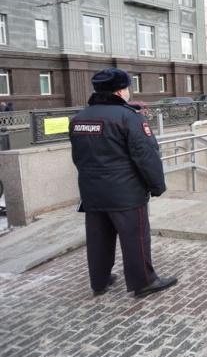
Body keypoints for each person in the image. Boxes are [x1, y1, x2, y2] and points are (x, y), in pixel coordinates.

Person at [69, 68, 176, 298]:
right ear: (119, 91)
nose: (128, 91)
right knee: (135, 238)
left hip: (92, 191)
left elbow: (78, 157)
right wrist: (157, 186)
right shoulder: (129, 118)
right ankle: (144, 282)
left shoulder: (79, 119)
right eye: (127, 87)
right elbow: (146, 155)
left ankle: (99, 281)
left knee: (98, 238)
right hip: (125, 192)